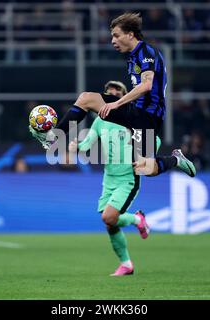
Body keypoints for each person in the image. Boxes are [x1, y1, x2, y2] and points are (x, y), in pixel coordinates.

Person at [30, 12, 196, 178]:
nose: (113, 41)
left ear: (130, 34)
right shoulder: (132, 57)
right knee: (86, 98)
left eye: (116, 36)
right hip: (135, 110)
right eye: (112, 37)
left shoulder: (145, 52)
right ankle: (53, 138)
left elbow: (147, 85)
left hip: (149, 116)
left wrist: (116, 104)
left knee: (143, 168)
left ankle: (176, 160)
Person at [68, 80, 161, 276]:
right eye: (109, 92)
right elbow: (87, 145)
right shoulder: (100, 121)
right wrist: (77, 147)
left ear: (125, 96)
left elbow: (155, 139)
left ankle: (137, 220)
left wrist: (146, 157)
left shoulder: (131, 118)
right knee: (109, 223)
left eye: (117, 92)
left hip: (128, 177)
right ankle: (126, 264)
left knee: (109, 217)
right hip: (109, 178)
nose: (112, 94)